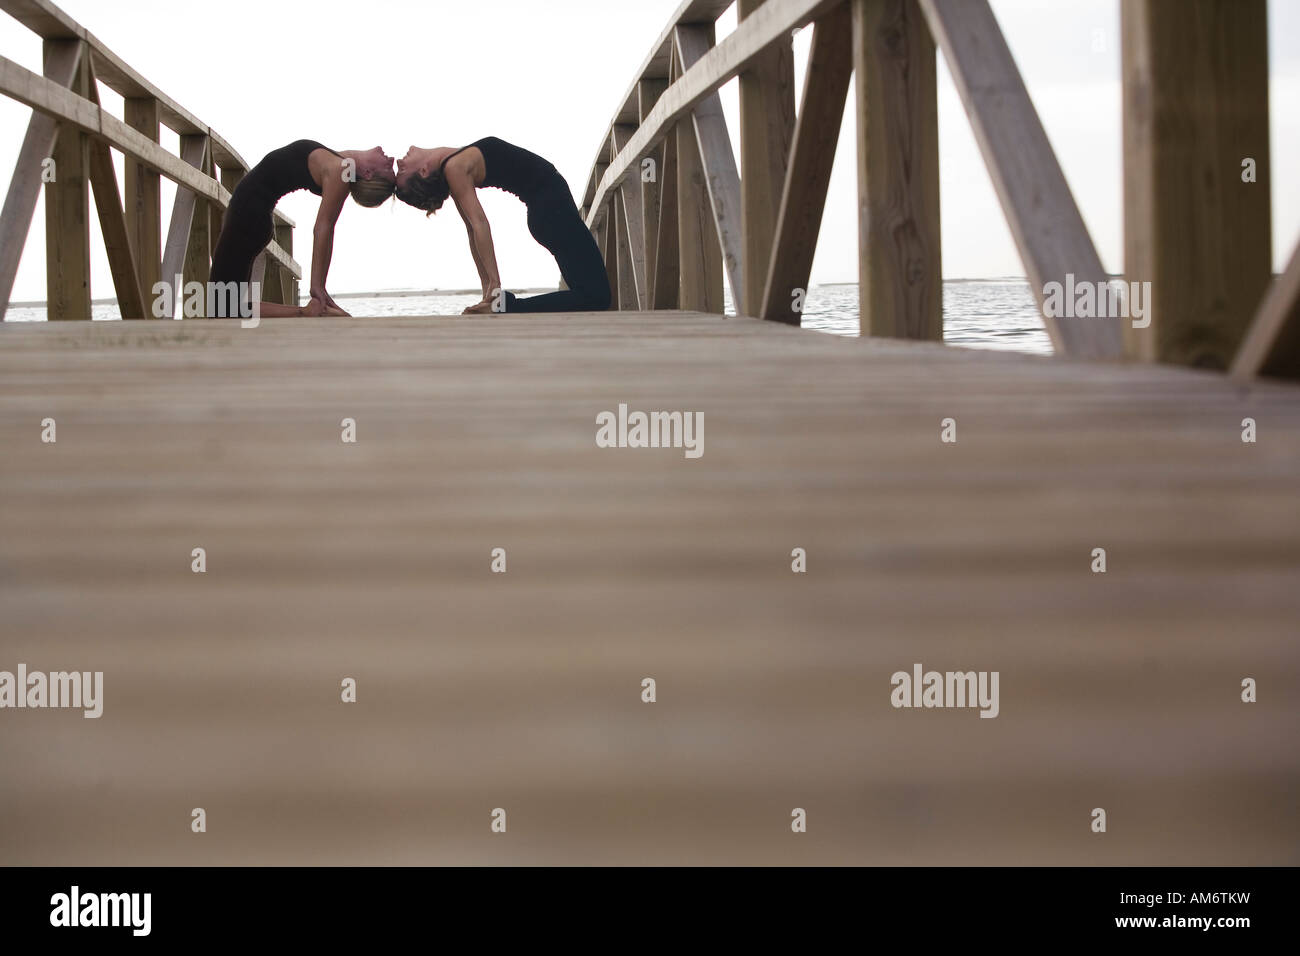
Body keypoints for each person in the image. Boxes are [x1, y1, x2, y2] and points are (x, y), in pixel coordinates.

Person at [395, 137, 611, 314]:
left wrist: (487, 291)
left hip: (549, 213)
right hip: (552, 211)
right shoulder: (454, 167)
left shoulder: (453, 166)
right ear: (423, 171)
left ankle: (502, 305)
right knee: (595, 297)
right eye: (402, 172)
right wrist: (494, 284)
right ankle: (506, 306)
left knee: (590, 294)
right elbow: (478, 225)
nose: (399, 164)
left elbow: (472, 230)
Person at [209, 141, 395, 318]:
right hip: (250, 219)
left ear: (368, 173)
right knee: (224, 307)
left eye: (388, 169)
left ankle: (309, 312)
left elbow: (324, 227)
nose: (392, 160)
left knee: (221, 308)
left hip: (248, 219)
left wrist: (317, 287)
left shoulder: (341, 170)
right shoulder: (340, 164)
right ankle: (310, 312)